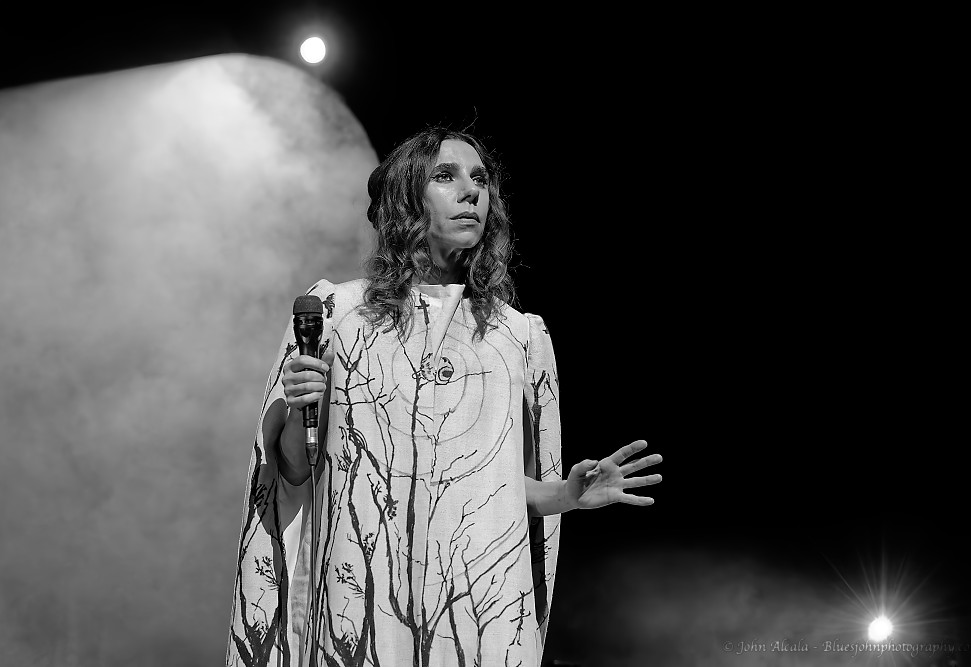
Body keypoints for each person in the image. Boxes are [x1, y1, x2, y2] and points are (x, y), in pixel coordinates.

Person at [226, 126, 662, 667]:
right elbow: (293, 473)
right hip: (365, 596)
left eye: (479, 178)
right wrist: (299, 409)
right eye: (444, 176)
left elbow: (498, 490)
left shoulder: (515, 336)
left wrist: (566, 496)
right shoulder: (338, 315)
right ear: (408, 198)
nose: (470, 191)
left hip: (473, 605)